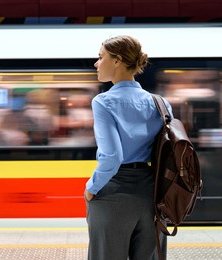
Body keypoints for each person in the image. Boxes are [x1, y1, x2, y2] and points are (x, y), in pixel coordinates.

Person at [84, 35, 173, 260]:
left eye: (100, 57)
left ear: (117, 61)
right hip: (152, 194)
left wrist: (92, 187)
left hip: (114, 191)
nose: (96, 63)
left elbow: (112, 157)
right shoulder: (160, 103)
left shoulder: (103, 102)